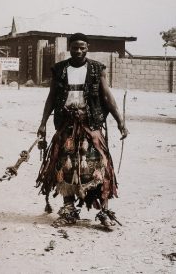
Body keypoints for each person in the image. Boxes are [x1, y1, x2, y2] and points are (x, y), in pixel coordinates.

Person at [35, 33, 128, 228]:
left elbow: (108, 97)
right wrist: (43, 123)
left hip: (90, 124)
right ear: (70, 48)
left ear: (87, 48)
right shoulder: (60, 69)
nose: (78, 51)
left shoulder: (97, 69)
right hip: (65, 125)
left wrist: (120, 121)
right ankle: (69, 211)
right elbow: (51, 98)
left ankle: (103, 211)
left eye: (82, 47)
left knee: (99, 166)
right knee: (64, 166)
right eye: (75, 47)